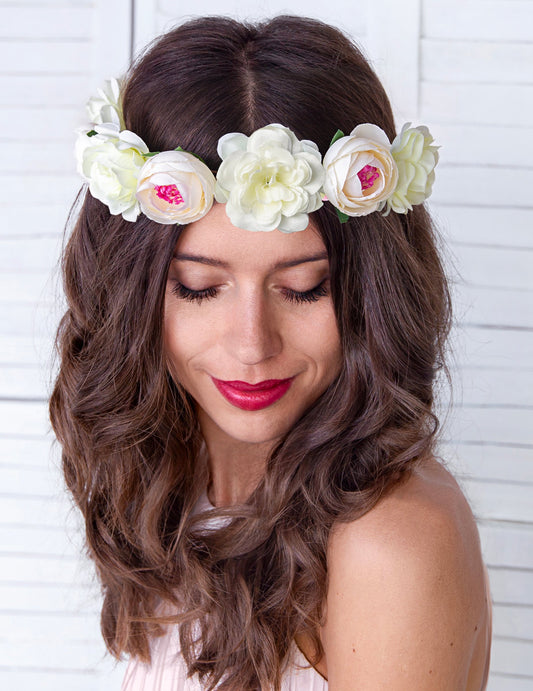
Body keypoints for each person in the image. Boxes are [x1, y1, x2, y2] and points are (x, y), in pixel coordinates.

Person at [49, 14, 492, 691]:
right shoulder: (180, 482)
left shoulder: (390, 541)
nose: (252, 343)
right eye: (199, 288)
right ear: (129, 293)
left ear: (368, 292)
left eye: (305, 288)